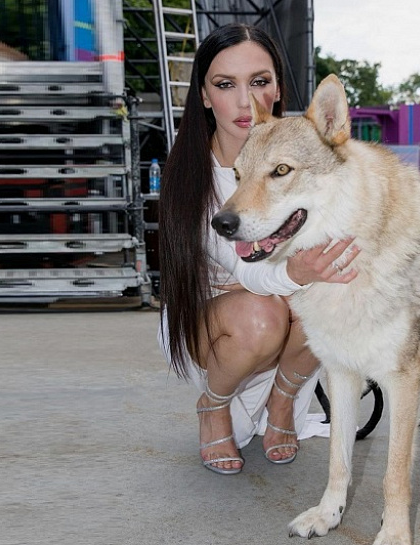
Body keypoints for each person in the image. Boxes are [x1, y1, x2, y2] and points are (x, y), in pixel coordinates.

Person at [157, 23, 359, 475]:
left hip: (284, 313)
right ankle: (213, 404)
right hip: (215, 322)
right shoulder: (193, 175)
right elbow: (250, 272)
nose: (246, 101)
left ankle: (283, 402)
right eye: (226, 85)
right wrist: (293, 275)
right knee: (262, 311)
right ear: (205, 96)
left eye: (260, 82)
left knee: (329, 292)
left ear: (278, 89)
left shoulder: (310, 159)